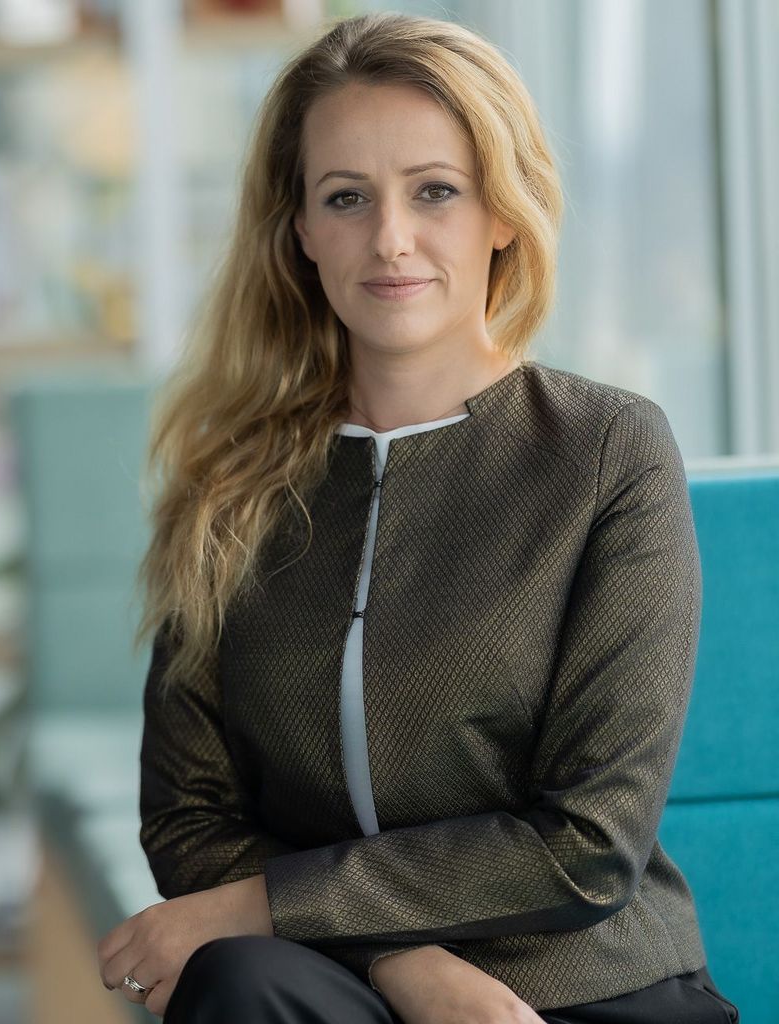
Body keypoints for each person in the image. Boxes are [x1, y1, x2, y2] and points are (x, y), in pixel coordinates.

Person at [93, 11, 742, 1024]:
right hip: (329, 988)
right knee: (238, 982)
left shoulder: (607, 450)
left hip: (589, 989)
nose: (390, 238)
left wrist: (268, 904)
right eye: (346, 198)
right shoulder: (230, 486)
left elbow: (591, 840)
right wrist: (404, 960)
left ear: (502, 212)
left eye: (435, 190)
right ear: (301, 232)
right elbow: (189, 815)